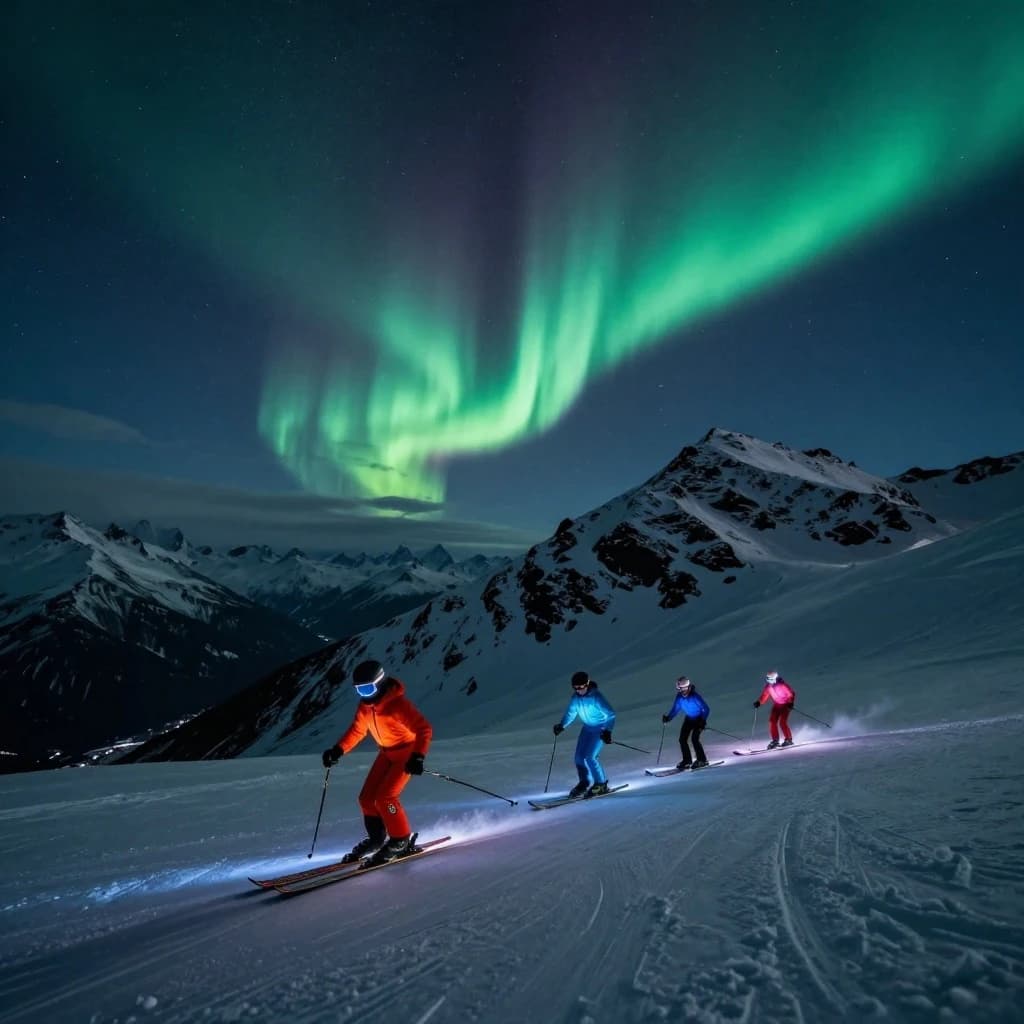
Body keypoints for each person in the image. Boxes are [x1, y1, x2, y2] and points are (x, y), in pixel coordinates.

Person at [321, 659, 432, 866]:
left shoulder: (397, 705)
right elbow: (357, 730)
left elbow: (424, 729)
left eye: (368, 689)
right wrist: (338, 750)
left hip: (406, 754)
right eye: (359, 690)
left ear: (379, 683)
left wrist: (418, 756)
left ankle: (400, 840)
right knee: (366, 799)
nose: (365, 695)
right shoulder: (365, 707)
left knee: (386, 799)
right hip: (386, 754)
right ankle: (377, 839)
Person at [553, 671, 616, 798]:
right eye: (575, 688)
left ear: (587, 684)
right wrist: (562, 725)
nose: (579, 690)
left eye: (581, 687)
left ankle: (601, 784)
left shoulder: (596, 697)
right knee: (579, 757)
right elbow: (571, 713)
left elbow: (610, 714)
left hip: (599, 729)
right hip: (587, 729)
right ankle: (584, 782)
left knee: (590, 757)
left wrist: (607, 731)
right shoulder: (575, 698)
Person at [662, 675, 711, 769]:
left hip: (699, 720)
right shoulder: (679, 697)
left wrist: (703, 720)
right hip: (689, 719)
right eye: (679, 689)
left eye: (680, 688)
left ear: (685, 687)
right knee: (682, 739)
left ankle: (702, 760)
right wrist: (668, 718)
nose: (680, 690)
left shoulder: (695, 696)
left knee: (694, 739)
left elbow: (706, 709)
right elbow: (676, 709)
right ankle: (687, 761)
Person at [752, 670, 796, 749]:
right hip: (777, 705)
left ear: (775, 678)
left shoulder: (782, 685)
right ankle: (775, 740)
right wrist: (759, 702)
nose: (770, 681)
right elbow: (764, 696)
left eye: (771, 679)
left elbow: (791, 694)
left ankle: (788, 739)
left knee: (782, 722)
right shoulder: (768, 687)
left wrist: (790, 703)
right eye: (768, 679)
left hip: (785, 705)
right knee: (772, 721)